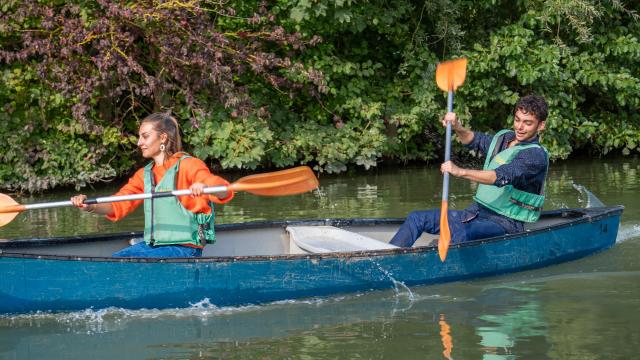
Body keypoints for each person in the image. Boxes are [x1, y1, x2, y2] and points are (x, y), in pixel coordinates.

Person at [390, 94, 549, 247]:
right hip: (476, 212)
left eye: (527, 123)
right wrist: (458, 127)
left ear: (541, 125)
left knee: (462, 233)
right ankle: (389, 259)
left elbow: (499, 177)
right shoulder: (505, 138)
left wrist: (460, 171)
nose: (520, 127)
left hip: (505, 222)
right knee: (416, 218)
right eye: (517, 120)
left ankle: (435, 265)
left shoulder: (535, 155)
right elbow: (474, 140)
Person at [71, 112, 234, 257]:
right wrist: (89, 206)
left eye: (145, 136)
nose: (139, 142)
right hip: (153, 246)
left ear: (162, 137)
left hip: (184, 248)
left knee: (123, 265)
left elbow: (221, 189)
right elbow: (116, 205)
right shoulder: (144, 174)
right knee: (114, 261)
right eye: (140, 137)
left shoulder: (188, 165)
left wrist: (205, 187)